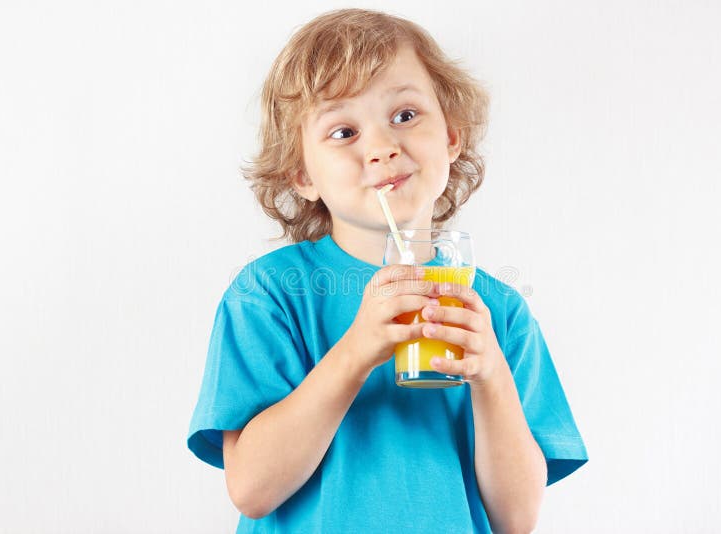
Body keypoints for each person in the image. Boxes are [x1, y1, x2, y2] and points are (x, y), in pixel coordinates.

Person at [187, 8, 588, 533]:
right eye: (344, 131)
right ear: (302, 175)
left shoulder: (498, 310)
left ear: (451, 136)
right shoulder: (271, 293)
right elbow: (252, 489)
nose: (382, 148)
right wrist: (357, 350)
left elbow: (516, 520)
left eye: (404, 116)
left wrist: (490, 376)